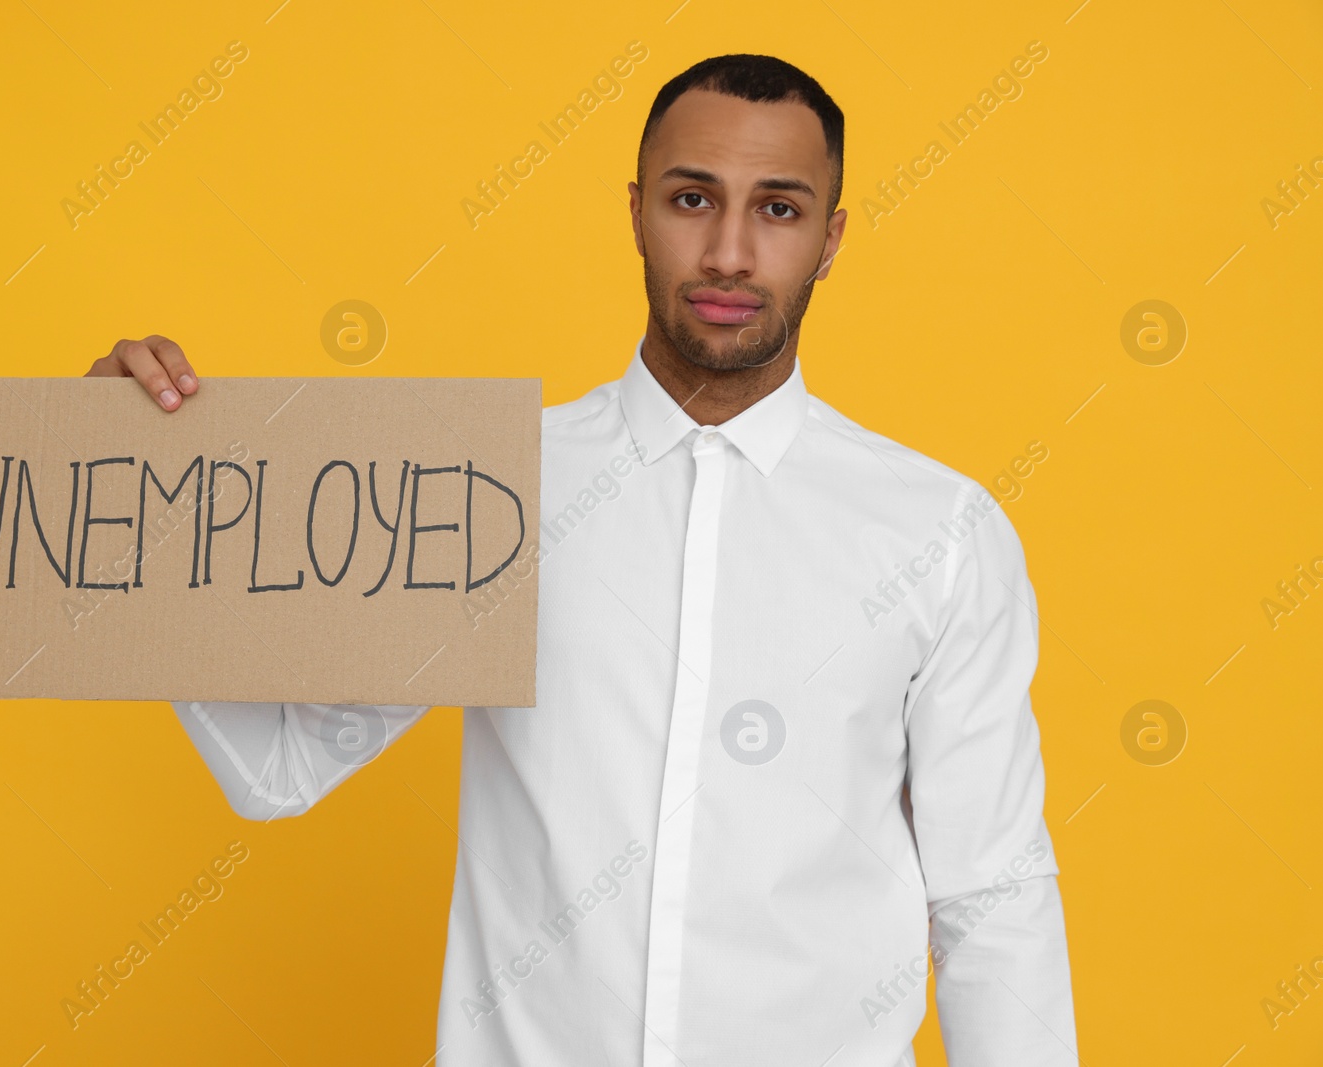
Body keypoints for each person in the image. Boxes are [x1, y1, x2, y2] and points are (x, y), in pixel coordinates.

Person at [87, 53, 1077, 1067]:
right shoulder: (488, 491)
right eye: (693, 198)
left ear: (828, 240)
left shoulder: (939, 534)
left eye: (777, 210)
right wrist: (130, 506)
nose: (730, 252)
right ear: (638, 210)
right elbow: (279, 766)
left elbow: (990, 894)